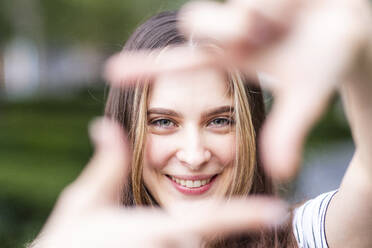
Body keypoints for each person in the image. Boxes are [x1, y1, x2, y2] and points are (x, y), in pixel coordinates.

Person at [29, 0, 372, 247]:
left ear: (251, 128)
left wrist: (362, 54)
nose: (194, 156)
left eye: (220, 120)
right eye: (163, 122)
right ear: (125, 131)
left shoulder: (305, 236)